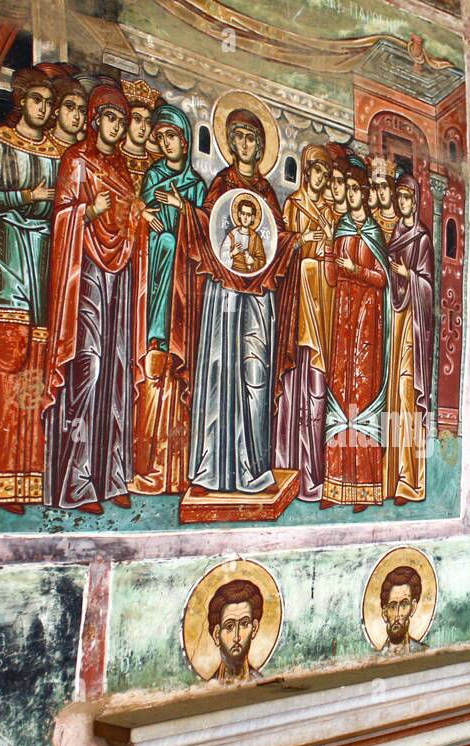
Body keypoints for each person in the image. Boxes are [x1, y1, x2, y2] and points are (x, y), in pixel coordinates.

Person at [156, 100, 297, 496]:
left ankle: (253, 467)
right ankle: (210, 469)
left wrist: (293, 241)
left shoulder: (268, 192)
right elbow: (205, 228)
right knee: (218, 372)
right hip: (224, 296)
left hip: (257, 300)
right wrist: (184, 208)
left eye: (252, 138)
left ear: (260, 144)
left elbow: (275, 243)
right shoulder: (220, 184)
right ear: (231, 145)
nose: (245, 145)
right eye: (238, 138)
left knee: (255, 377)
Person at [42, 84, 156, 514]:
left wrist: (136, 216)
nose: (118, 126)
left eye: (122, 120)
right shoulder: (77, 161)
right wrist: (87, 212)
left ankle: (111, 478)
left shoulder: (123, 170)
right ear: (95, 119)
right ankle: (76, 482)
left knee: (116, 373)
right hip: (86, 274)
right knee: (87, 370)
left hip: (119, 278)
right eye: (111, 118)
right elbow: (63, 216)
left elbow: (126, 213)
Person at [0, 67, 61, 515]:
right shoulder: (0, 143)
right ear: (22, 102)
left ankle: (28, 477)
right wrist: (26, 195)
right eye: (37, 100)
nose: (43, 109)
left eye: (48, 102)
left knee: (33, 373)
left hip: (41, 263)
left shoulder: (58, 152)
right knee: (7, 363)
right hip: (6, 262)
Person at [130, 103, 206, 496]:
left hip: (184, 297)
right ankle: (148, 466)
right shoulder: (152, 178)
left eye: (171, 136)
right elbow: (139, 221)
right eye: (159, 138)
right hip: (156, 285)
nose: (164, 143)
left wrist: (185, 211)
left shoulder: (195, 187)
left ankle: (177, 472)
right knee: (154, 370)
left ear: (185, 140)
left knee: (179, 377)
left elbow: (206, 242)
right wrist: (142, 215)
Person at [322, 156, 392, 512]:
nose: (347, 194)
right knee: (339, 390)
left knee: (362, 397)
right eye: (346, 189)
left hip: (368, 323)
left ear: (364, 193)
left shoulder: (376, 233)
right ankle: (336, 486)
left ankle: (364, 487)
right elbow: (333, 278)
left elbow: (383, 280)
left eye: (353, 189)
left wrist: (358, 271)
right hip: (344, 324)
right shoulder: (341, 228)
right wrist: (326, 260)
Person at [274, 144, 337, 502]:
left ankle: (315, 473)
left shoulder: (330, 211)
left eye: (326, 174)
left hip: (324, 308)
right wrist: (302, 242)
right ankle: (291, 468)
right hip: (300, 311)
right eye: (317, 171)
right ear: (306, 170)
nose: (321, 178)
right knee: (296, 392)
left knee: (318, 395)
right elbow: (281, 249)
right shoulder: (294, 206)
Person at [383, 174, 436, 505]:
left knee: (408, 397)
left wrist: (409, 276)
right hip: (397, 322)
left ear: (415, 202)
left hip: (413, 333)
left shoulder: (422, 240)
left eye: (407, 198)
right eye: (399, 198)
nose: (403, 203)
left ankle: (412, 481)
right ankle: (395, 477)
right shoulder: (395, 237)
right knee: (394, 400)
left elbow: (428, 289)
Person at [207, 579, 265, 683]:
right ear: (216, 635)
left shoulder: (260, 681)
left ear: (254, 628)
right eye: (229, 626)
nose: (237, 637)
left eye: (244, 624)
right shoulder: (209, 687)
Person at [118, 79, 158, 193]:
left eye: (148, 122)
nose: (143, 127)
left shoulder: (154, 166)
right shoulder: (111, 155)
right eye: (137, 119)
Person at [379, 565, 423, 653]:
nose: (397, 616)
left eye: (404, 605)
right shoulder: (378, 657)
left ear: (413, 607)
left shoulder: (422, 652)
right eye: (392, 606)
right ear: (384, 613)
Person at [218, 197, 267, 274]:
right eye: (243, 213)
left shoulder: (255, 238)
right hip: (231, 273)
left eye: (248, 215)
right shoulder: (232, 235)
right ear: (239, 214)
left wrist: (253, 261)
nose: (245, 217)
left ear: (253, 218)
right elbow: (222, 257)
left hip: (248, 274)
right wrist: (232, 253)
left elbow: (262, 261)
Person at [44, 75, 86, 154]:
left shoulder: (84, 152)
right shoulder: (40, 141)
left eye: (82, 111)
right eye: (70, 107)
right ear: (57, 111)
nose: (77, 116)